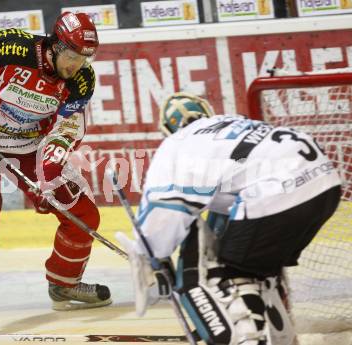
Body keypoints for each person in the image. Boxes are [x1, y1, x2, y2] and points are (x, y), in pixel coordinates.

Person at [117, 92, 342, 345]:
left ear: (167, 129)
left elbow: (162, 214)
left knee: (219, 274)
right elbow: (234, 183)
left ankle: (249, 340)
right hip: (326, 187)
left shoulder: (176, 144)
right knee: (254, 266)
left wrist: (151, 259)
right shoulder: (231, 124)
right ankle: (281, 337)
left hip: (278, 193)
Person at [0, 12, 111, 334]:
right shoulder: (13, 47)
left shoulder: (81, 81)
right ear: (55, 46)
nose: (76, 65)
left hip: (31, 147)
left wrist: (49, 169)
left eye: (84, 59)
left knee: (82, 213)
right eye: (71, 56)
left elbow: (68, 126)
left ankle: (64, 284)